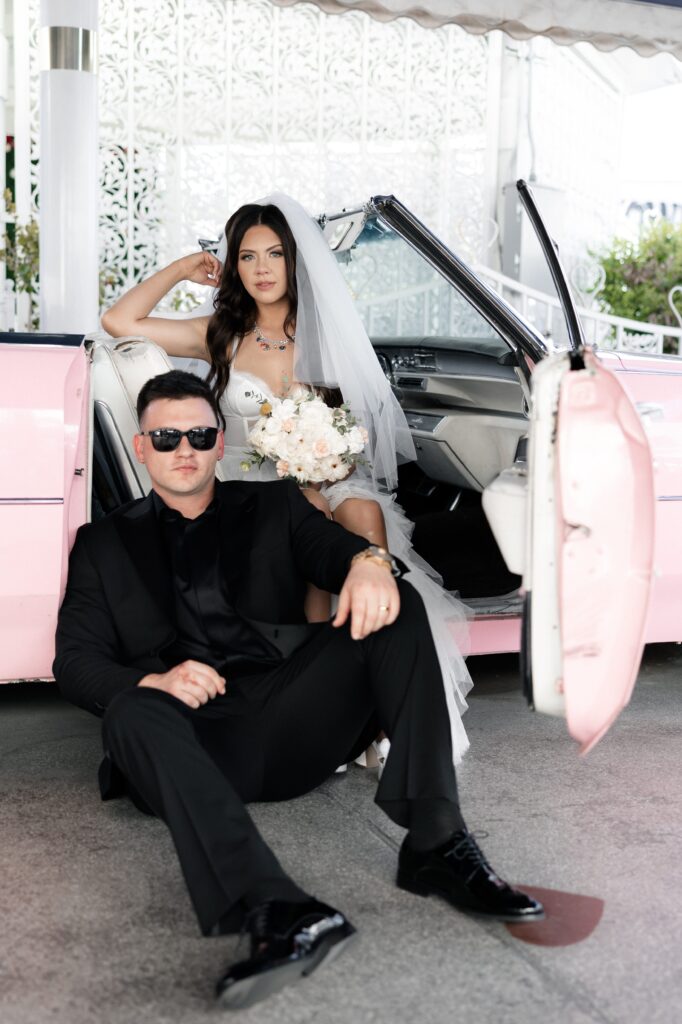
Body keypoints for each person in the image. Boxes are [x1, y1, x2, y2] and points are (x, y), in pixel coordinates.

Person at [54, 369, 543, 1010]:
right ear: (141, 447)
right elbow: (76, 662)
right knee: (129, 711)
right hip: (191, 741)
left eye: (199, 435)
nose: (184, 449)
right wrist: (155, 679)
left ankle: (435, 840)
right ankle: (278, 909)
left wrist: (370, 566)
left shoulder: (274, 507)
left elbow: (339, 548)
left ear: (219, 439)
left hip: (291, 716)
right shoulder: (100, 545)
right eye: (166, 437)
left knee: (397, 608)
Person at [101, 193, 472, 770]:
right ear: (232, 266)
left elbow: (354, 431)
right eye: (247, 257)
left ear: (296, 261)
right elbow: (119, 322)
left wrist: (328, 465)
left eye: (275, 254)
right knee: (308, 519)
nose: (263, 269)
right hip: (244, 480)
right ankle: (319, 693)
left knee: (364, 519)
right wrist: (181, 269)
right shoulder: (220, 333)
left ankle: (374, 690)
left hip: (327, 475)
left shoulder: (325, 335)